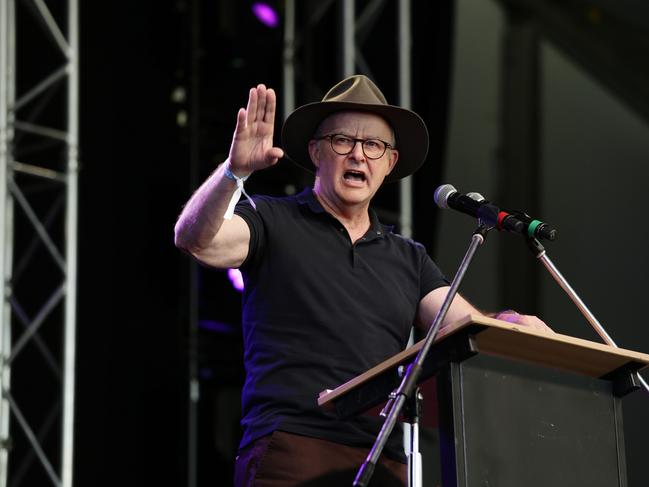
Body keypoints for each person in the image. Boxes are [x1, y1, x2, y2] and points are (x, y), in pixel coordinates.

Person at [174, 75, 550, 487]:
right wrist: (233, 174)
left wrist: (511, 326)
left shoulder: (409, 257)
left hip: (383, 459)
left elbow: (460, 328)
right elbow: (197, 241)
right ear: (316, 152)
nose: (358, 155)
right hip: (294, 449)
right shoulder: (271, 219)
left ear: (390, 164)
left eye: (373, 146)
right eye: (342, 141)